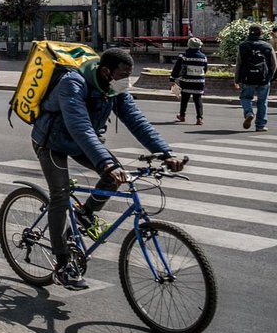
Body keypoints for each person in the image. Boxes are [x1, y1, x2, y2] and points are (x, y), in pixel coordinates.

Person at [32, 47, 183, 290]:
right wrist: (106, 163)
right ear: (105, 72)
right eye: (123, 75)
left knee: (114, 178)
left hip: (82, 142)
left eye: (129, 75)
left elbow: (137, 121)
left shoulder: (114, 88)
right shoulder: (74, 83)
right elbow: (80, 126)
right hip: (52, 141)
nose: (127, 80)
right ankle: (63, 265)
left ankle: (84, 214)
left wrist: (166, 152)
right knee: (60, 196)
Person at [234, 23, 274, 132]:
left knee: (245, 97)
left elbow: (239, 64)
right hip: (263, 79)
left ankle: (249, 113)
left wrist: (237, 79)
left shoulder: (243, 46)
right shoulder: (267, 46)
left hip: (247, 78)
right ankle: (260, 125)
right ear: (261, 33)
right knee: (263, 101)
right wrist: (269, 77)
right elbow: (274, 64)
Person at [170, 37, 207, 125]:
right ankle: (199, 118)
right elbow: (205, 69)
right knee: (198, 99)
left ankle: (182, 116)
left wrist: (172, 78)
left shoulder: (183, 56)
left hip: (186, 81)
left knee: (184, 99)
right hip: (199, 82)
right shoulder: (203, 57)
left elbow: (177, 68)